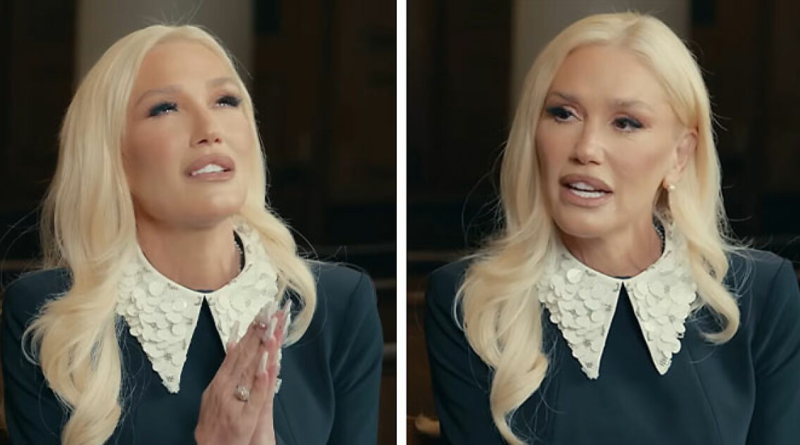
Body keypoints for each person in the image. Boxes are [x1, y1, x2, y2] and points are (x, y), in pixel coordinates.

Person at [425, 12, 800, 445]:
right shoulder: (471, 303)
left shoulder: (761, 295)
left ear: (679, 155)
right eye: (563, 114)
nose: (586, 148)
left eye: (626, 122)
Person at [1, 25, 383, 445]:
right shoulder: (46, 315)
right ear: (110, 153)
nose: (209, 128)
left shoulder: (338, 305)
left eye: (225, 101)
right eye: (165, 108)